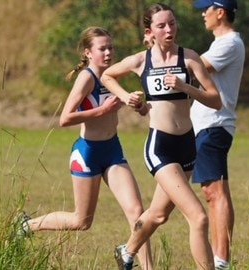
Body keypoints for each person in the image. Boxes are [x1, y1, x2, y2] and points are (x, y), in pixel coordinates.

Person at [19, 26, 153, 270]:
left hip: (113, 151)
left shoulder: (114, 76)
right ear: (88, 52)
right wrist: (103, 110)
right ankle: (28, 225)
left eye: (111, 47)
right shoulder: (87, 78)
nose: (108, 52)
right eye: (102, 48)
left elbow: (137, 109)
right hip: (87, 153)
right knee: (82, 221)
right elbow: (64, 118)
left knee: (137, 211)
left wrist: (138, 104)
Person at [101, 3, 222, 270]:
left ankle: (126, 251)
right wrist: (126, 97)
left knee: (157, 215)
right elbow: (108, 75)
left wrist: (186, 87)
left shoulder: (189, 58)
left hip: (187, 145)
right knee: (198, 217)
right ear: (150, 31)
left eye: (172, 23)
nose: (169, 29)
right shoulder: (140, 61)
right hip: (160, 147)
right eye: (161, 25)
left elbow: (216, 101)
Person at [190, 1, 245, 269]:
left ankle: (220, 260)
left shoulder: (229, 44)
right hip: (207, 126)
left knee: (215, 192)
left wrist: (161, 56)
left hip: (214, 125)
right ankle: (218, 257)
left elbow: (196, 68)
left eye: (206, 8)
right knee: (211, 192)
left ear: (220, 12)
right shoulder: (220, 43)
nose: (203, 14)